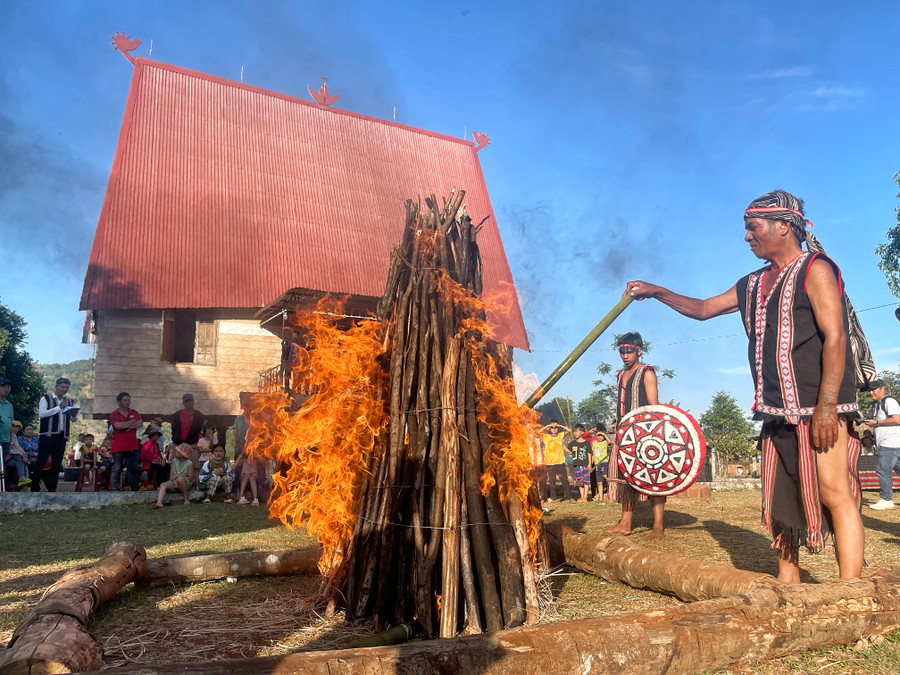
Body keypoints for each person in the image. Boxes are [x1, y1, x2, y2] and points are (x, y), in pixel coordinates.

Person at [626, 189, 867, 582]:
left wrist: (825, 406)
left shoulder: (815, 269)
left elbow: (836, 337)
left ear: (784, 226)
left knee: (834, 492)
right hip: (775, 410)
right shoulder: (752, 283)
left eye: (752, 227)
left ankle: (852, 592)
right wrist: (658, 291)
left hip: (822, 406)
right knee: (780, 500)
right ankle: (788, 585)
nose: (746, 237)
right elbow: (704, 309)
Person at [605, 333, 666, 538]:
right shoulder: (620, 375)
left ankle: (658, 525)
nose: (625, 355)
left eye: (629, 351)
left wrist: (651, 434)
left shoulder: (647, 373)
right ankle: (625, 522)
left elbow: (654, 407)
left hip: (645, 432)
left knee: (653, 476)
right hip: (623, 432)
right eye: (622, 351)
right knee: (625, 475)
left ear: (638, 350)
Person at [863, 379, 900, 510]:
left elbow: (897, 419)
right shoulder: (876, 404)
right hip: (892, 444)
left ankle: (886, 499)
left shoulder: (889, 401)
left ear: (882, 389)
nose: (871, 393)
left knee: (882, 470)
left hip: (890, 442)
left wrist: (876, 423)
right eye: (869, 390)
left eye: (873, 389)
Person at [35, 377, 78, 492]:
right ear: (56, 386)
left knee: (57, 462)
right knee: (42, 460)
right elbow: (42, 414)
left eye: (66, 388)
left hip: (61, 436)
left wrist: (74, 415)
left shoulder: (69, 401)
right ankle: (35, 486)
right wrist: (58, 407)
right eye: (62, 387)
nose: (64, 390)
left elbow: (73, 419)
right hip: (47, 435)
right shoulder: (46, 398)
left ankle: (52, 487)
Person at [109, 392, 143, 491]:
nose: (128, 402)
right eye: (125, 400)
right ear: (119, 402)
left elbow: (140, 423)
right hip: (118, 446)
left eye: (129, 400)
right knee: (117, 468)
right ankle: (115, 488)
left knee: (132, 468)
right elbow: (117, 426)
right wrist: (131, 423)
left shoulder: (134, 412)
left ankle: (135, 488)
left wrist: (125, 425)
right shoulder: (114, 414)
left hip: (132, 445)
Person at [541, 420, 576, 502]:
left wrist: (560, 425)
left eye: (555, 428)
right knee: (552, 481)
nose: (554, 429)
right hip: (549, 462)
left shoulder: (560, 435)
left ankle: (569, 497)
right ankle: (554, 498)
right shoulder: (546, 437)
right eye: (552, 428)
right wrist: (547, 426)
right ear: (549, 429)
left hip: (560, 461)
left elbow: (569, 430)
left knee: (564, 479)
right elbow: (537, 432)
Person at [153, 444, 194, 508]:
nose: (176, 452)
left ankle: (186, 499)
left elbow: (191, 478)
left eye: (178, 451)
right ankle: (159, 503)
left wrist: (178, 477)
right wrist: (175, 480)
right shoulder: (174, 461)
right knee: (163, 485)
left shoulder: (189, 463)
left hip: (185, 482)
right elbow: (171, 476)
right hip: (174, 481)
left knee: (180, 480)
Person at [567, 424, 593, 502]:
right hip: (576, 465)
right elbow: (568, 450)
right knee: (580, 482)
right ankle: (582, 497)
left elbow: (589, 453)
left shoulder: (586, 443)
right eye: (574, 431)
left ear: (582, 432)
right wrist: (561, 445)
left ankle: (585, 497)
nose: (575, 433)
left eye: (577, 431)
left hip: (585, 464)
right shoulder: (573, 443)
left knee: (586, 482)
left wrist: (589, 464)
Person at [588, 423, 612, 500]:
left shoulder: (605, 443)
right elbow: (593, 454)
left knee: (605, 476)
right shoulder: (595, 444)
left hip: (604, 463)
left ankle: (611, 486)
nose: (599, 437)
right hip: (597, 464)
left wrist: (604, 434)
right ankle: (600, 498)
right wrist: (591, 464)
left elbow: (610, 442)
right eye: (598, 435)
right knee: (599, 482)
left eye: (601, 435)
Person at [0, 379, 15, 491]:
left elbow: (10, 424)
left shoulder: (10, 405)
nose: (6, 389)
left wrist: (10, 442)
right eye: (3, 386)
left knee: (1, 466)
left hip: (5, 440)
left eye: (8, 387)